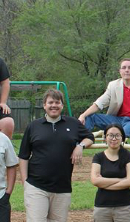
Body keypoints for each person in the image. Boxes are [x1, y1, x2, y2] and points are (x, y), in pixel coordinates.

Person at [19, 89, 95, 222]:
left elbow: (90, 137)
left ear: (62, 106)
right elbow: (23, 156)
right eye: (50, 102)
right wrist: (25, 181)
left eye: (57, 102)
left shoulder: (73, 124)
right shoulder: (33, 126)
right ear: (44, 105)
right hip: (36, 186)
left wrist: (79, 146)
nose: (53, 105)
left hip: (62, 187)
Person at [79, 58, 130, 145]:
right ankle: (81, 142)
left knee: (117, 133)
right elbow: (99, 103)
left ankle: (115, 151)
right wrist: (83, 115)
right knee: (90, 117)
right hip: (117, 120)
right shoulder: (113, 85)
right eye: (124, 68)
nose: (127, 70)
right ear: (120, 71)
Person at [91, 124, 130, 222]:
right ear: (105, 138)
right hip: (102, 206)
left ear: (122, 138)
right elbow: (95, 180)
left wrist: (104, 183)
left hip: (124, 207)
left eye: (117, 135)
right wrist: (121, 180)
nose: (114, 138)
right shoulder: (98, 157)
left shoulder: (128, 156)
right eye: (110, 135)